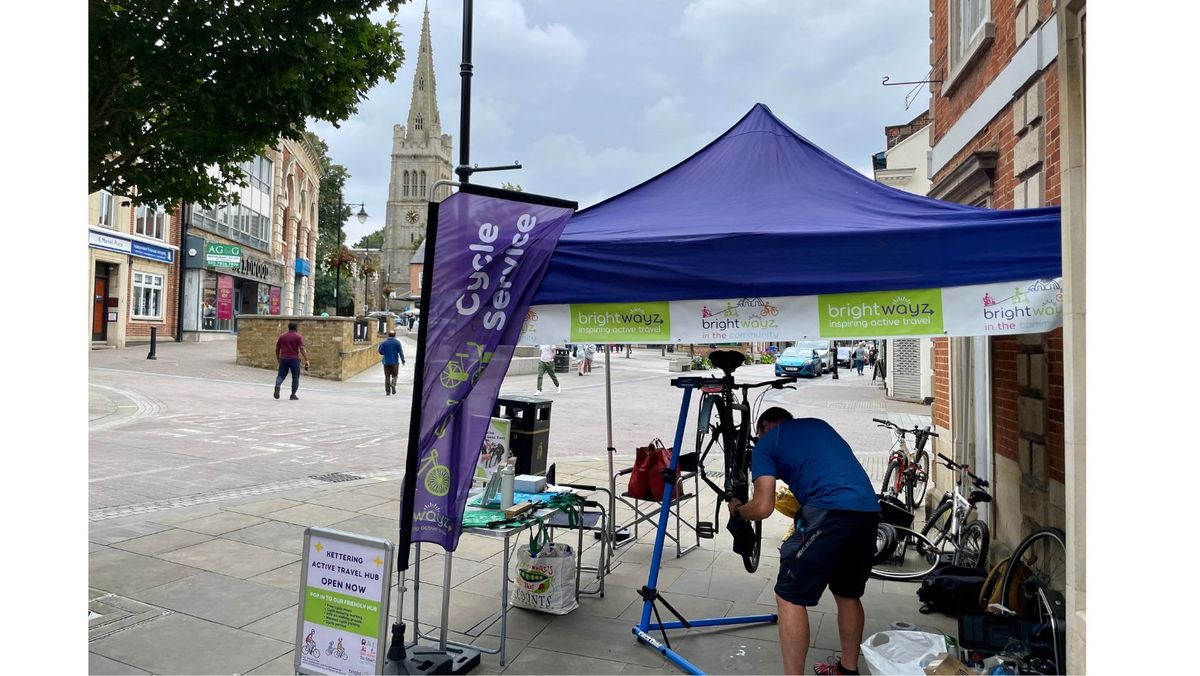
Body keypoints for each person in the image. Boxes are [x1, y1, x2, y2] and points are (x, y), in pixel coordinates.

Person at [726, 407, 879, 676]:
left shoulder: (767, 443)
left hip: (830, 512)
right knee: (847, 593)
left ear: (765, 426)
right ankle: (847, 669)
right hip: (867, 510)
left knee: (789, 595)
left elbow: (763, 507)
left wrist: (738, 510)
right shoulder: (818, 425)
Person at [274, 321, 310, 400]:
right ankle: (293, 395)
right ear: (296, 328)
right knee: (295, 376)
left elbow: (277, 348)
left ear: (289, 327)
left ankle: (277, 385)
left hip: (284, 359)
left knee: (281, 375)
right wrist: (307, 360)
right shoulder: (298, 337)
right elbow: (302, 348)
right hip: (294, 359)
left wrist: (278, 357)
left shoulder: (282, 336)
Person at [378, 331, 406, 396]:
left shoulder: (384, 342)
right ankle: (393, 384)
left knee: (387, 377)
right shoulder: (397, 342)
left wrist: (384, 353)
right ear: (394, 335)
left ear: (388, 335)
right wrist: (403, 360)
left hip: (386, 362)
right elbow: (401, 352)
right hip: (395, 362)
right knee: (395, 375)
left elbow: (380, 351)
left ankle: (388, 392)